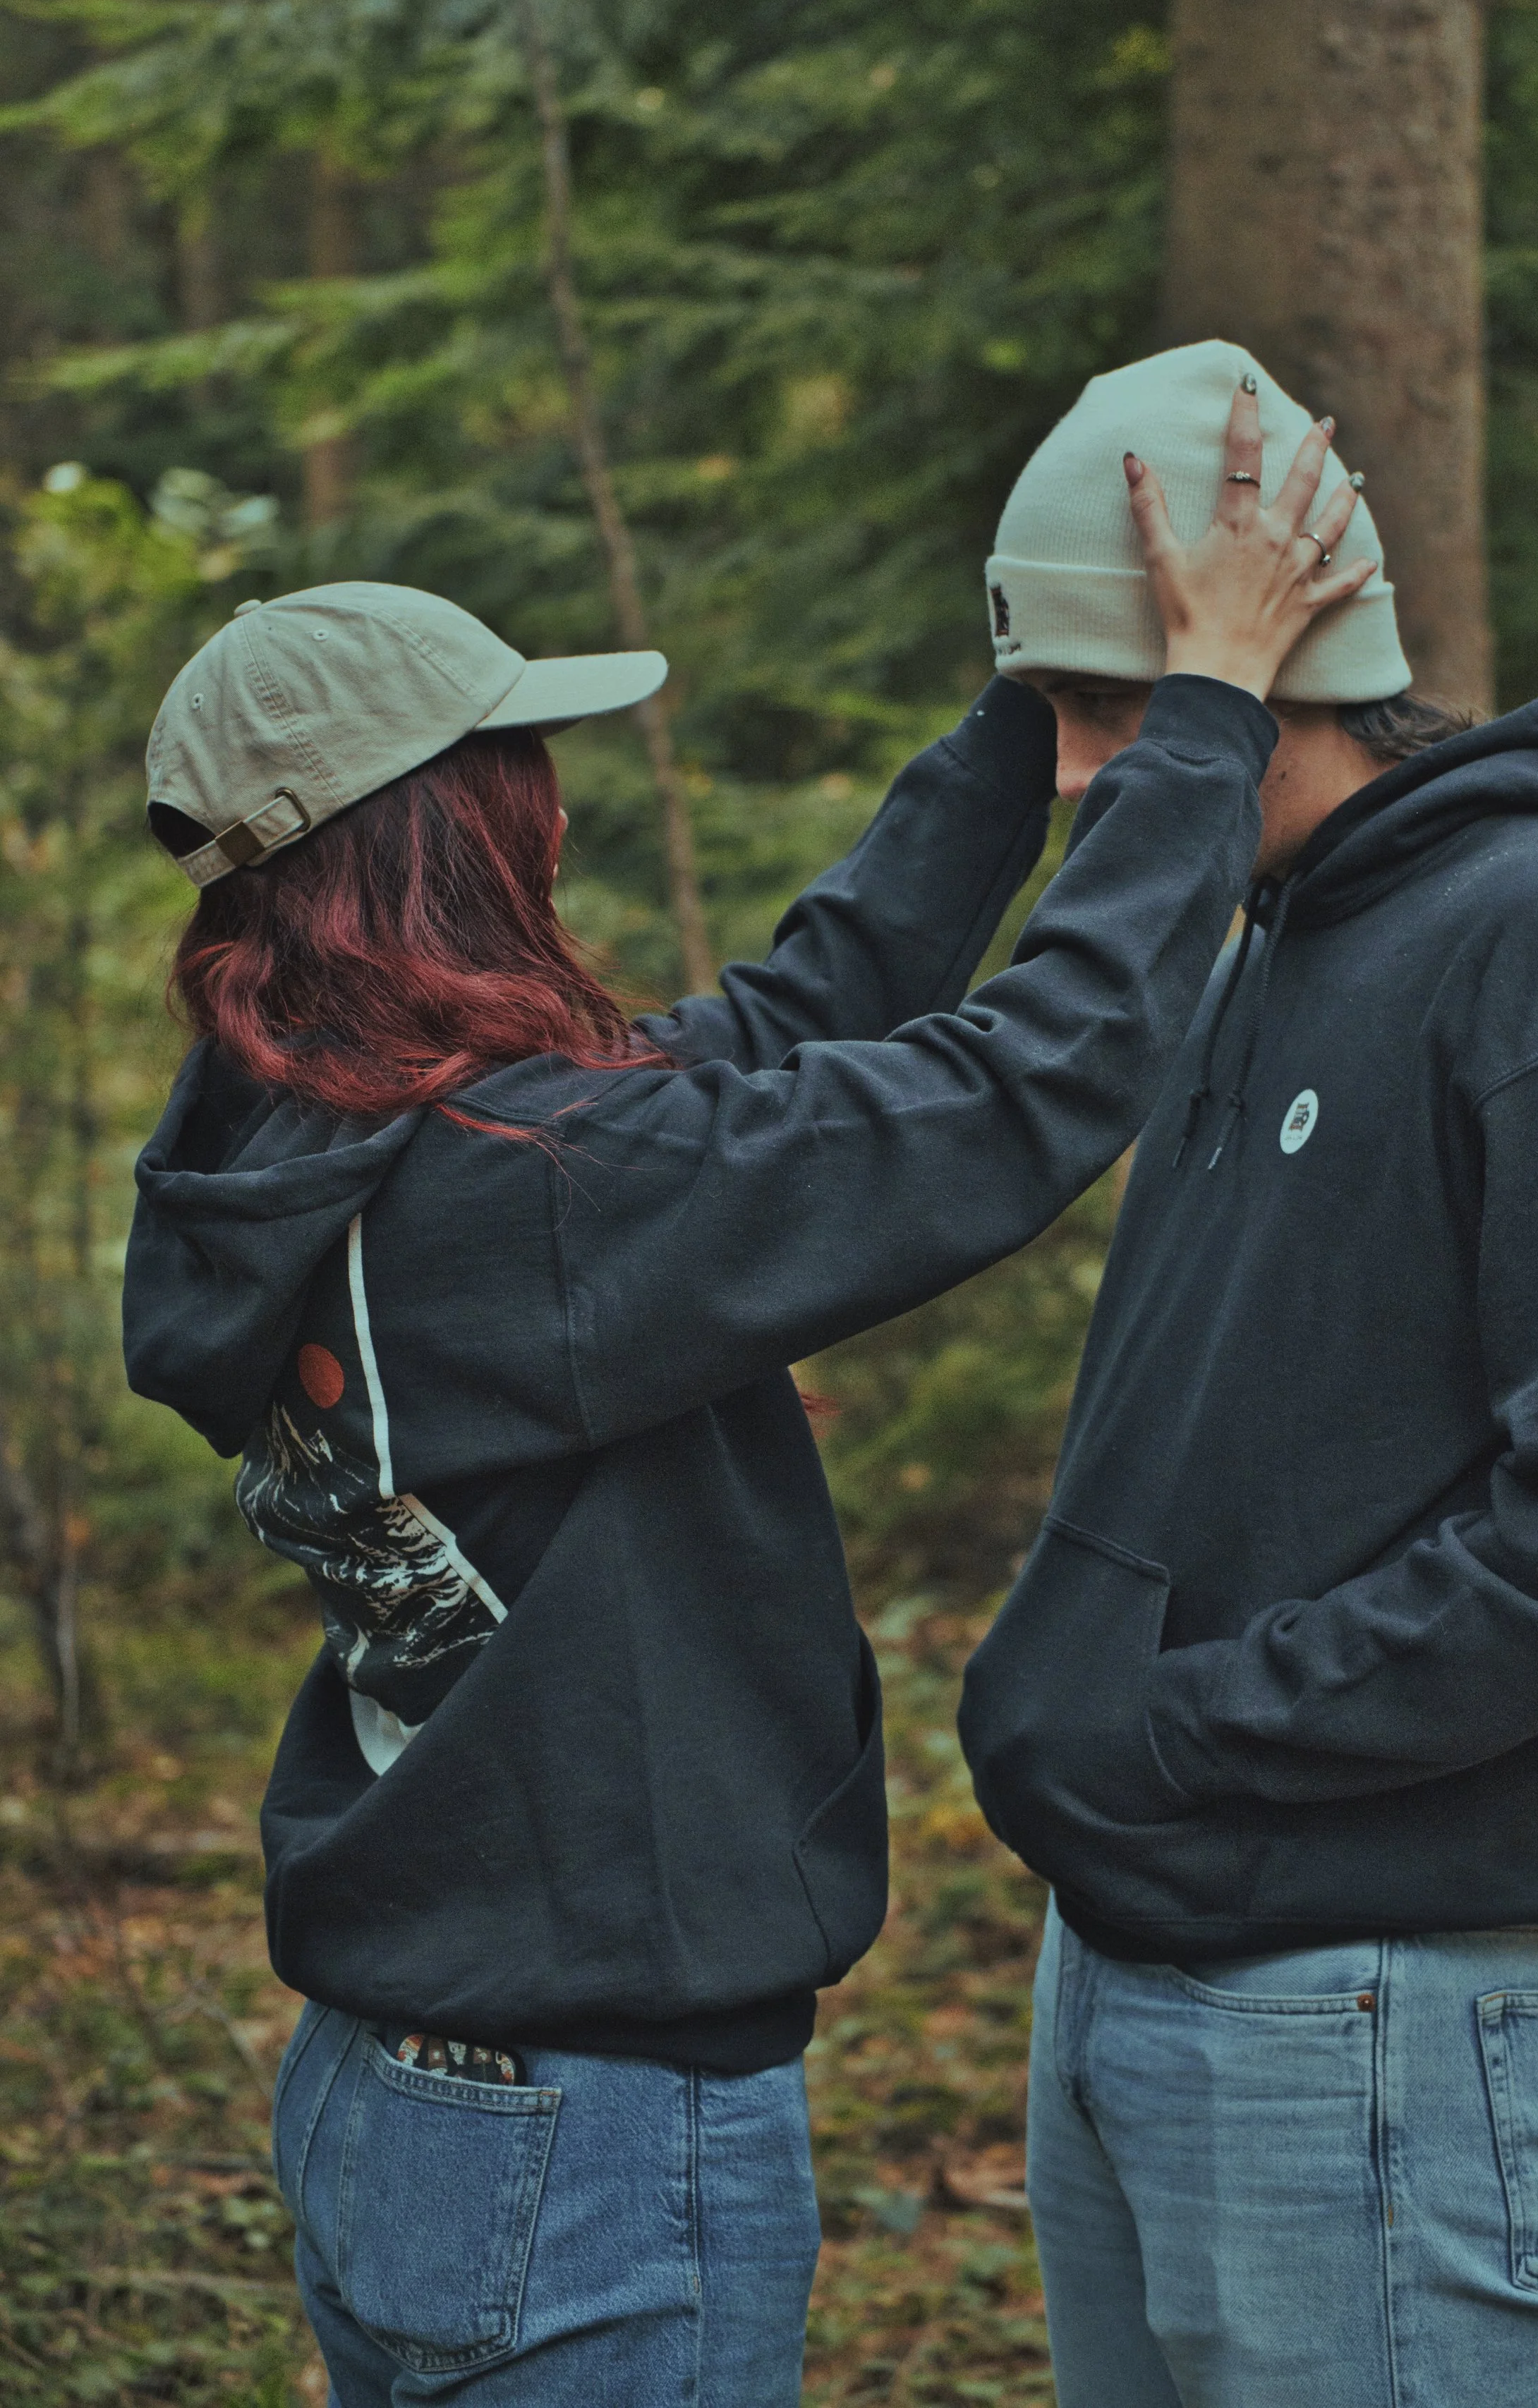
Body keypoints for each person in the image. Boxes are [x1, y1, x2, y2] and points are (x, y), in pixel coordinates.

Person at [121, 433, 1367, 2408]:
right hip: (584, 2145)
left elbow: (798, 1014)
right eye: (517, 772)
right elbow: (1019, 1089)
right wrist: (1205, 712)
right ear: (446, 837)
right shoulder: (530, 1190)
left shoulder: (308, 1148)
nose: (552, 808)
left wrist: (1028, 718)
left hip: (406, 2096)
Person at [958, 338, 1538, 2408]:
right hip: (1145, 1959)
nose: (1077, 777)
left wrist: (1181, 1731)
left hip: (1375, 2011)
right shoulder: (1268, 938)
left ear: (1275, 663)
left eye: (1106, 702)